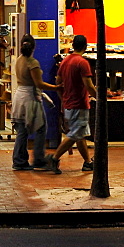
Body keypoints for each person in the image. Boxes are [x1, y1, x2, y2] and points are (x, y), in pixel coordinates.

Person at [10, 33, 59, 171]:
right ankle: (37, 159)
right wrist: (56, 88)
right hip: (30, 98)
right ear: (33, 47)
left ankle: (19, 159)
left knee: (22, 130)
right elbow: (39, 83)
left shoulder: (19, 60)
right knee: (40, 128)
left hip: (19, 95)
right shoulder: (32, 63)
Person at [48, 34, 95, 174]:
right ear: (85, 47)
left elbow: (58, 83)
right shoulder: (82, 63)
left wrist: (63, 98)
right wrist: (100, 97)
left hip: (68, 103)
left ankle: (87, 162)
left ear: (73, 45)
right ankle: (54, 158)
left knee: (79, 134)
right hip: (79, 103)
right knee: (75, 133)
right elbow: (89, 85)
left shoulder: (65, 61)